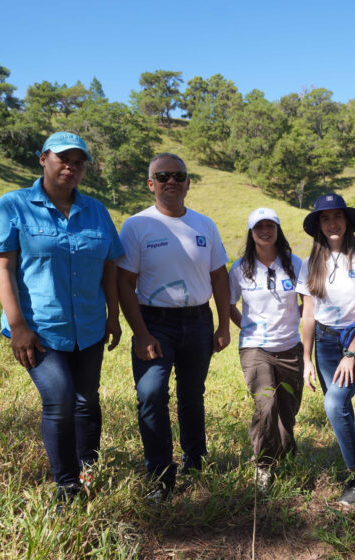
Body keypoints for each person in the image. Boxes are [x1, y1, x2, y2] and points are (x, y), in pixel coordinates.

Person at [0, 132, 123, 510]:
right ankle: (67, 486)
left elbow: (109, 269)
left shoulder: (97, 211)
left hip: (90, 325)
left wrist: (113, 317)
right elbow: (4, 269)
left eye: (79, 161)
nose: (71, 167)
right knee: (59, 399)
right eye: (63, 158)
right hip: (40, 328)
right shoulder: (14, 206)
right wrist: (18, 326)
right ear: (44, 159)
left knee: (87, 401)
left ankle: (88, 467)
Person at [116, 153, 230, 501]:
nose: (171, 182)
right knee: (151, 394)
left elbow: (218, 276)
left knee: (192, 395)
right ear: (150, 184)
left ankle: (196, 463)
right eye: (162, 176)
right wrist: (141, 333)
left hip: (198, 320)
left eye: (178, 176)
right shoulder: (137, 225)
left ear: (188, 183)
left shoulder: (204, 225)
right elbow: (124, 283)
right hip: (154, 321)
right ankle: (161, 475)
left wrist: (224, 323)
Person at [297, 193, 355, 505]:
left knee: (334, 404)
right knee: (339, 406)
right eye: (325, 218)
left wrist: (351, 354)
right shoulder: (310, 264)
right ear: (318, 224)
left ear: (347, 221)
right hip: (324, 342)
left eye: (338, 216)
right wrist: (306, 358)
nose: (333, 223)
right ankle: (353, 457)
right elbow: (307, 314)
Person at [229, 207, 303, 493]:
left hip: (290, 346)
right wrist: (245, 327)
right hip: (255, 347)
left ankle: (284, 456)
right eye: (258, 226)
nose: (265, 231)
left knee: (287, 408)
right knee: (266, 404)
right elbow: (228, 305)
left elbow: (307, 298)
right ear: (251, 232)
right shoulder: (240, 268)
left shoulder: (294, 263)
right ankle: (262, 464)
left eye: (270, 225)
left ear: (277, 229)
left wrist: (296, 317)